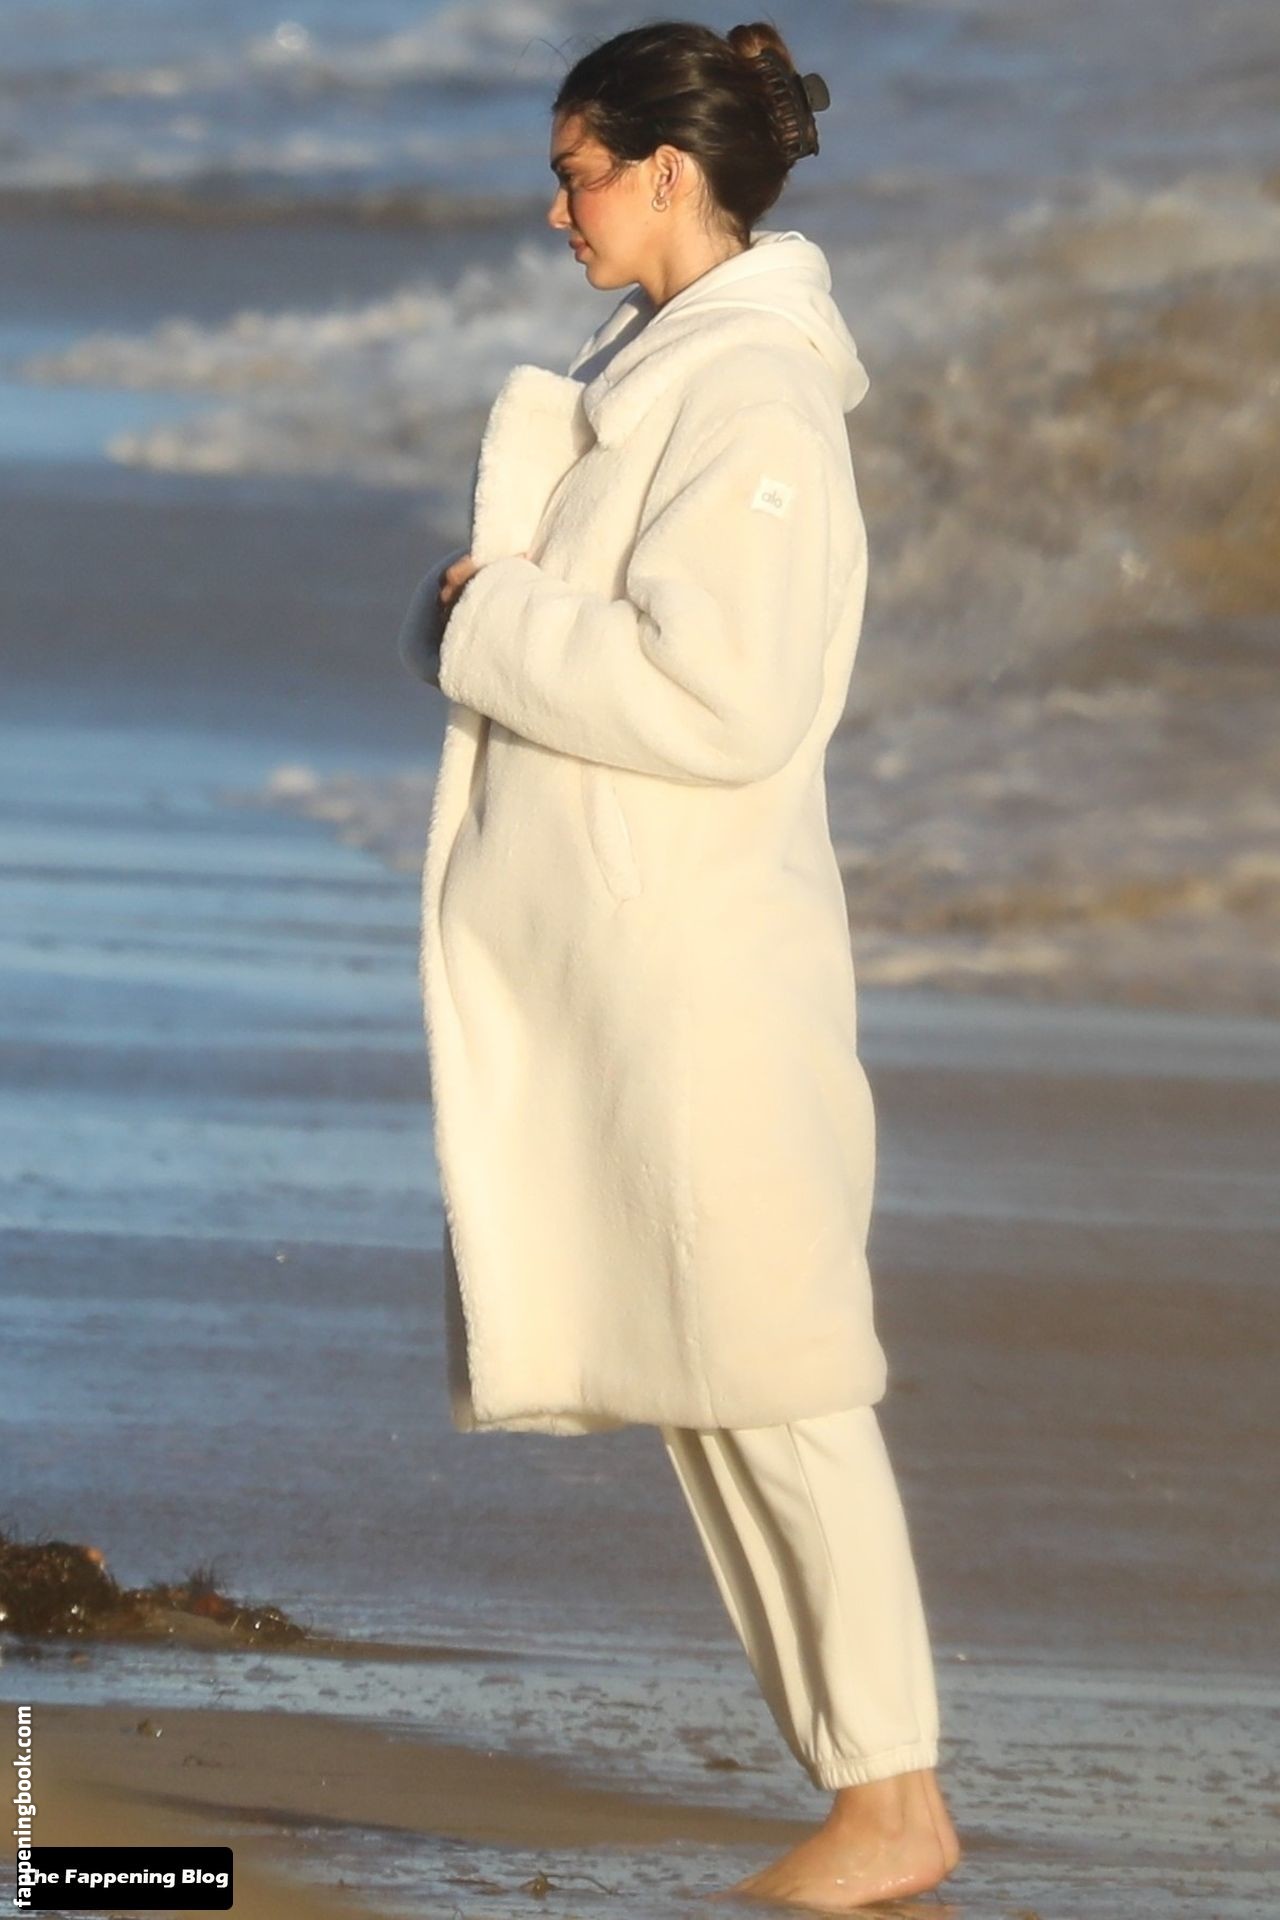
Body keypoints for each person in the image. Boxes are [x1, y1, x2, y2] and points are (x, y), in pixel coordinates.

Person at [396, 18, 962, 1911]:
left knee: (779, 1382)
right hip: (639, 962)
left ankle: (893, 1804)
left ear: (666, 169)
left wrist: (493, 617)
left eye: (575, 173)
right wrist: (494, 618)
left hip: (706, 968)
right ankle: (868, 1793)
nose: (554, 208)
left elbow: (724, 694)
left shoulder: (755, 396)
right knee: (720, 1385)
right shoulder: (662, 369)